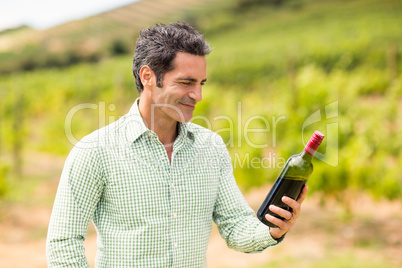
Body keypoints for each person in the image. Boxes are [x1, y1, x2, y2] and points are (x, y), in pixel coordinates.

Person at [46, 22, 307, 267]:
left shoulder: (210, 147)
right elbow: (63, 244)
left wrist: (272, 230)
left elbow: (235, 225)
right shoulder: (95, 151)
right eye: (186, 82)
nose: (198, 95)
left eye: (201, 83)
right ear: (148, 76)